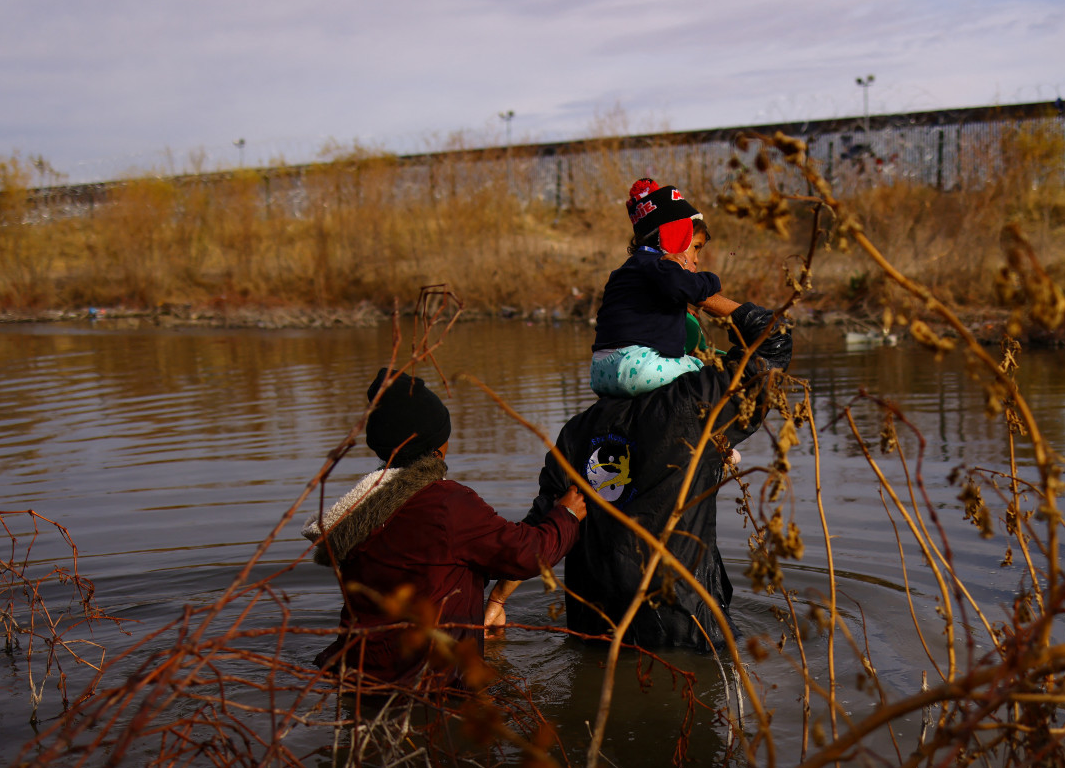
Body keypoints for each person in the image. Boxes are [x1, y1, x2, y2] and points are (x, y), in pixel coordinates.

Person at [500, 301, 792, 652]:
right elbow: (773, 340)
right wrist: (699, 291)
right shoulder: (691, 408)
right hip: (684, 633)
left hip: (596, 633)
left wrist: (497, 601)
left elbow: (542, 529)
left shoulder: (576, 432)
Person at [304, 367, 586, 687]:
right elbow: (527, 553)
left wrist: (487, 610)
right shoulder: (447, 504)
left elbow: (438, 565)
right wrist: (567, 515)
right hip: (428, 686)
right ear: (438, 445)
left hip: (357, 678)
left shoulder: (362, 507)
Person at [590, 178, 743, 397]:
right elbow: (690, 288)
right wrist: (712, 281)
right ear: (675, 238)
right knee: (706, 372)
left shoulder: (629, 270)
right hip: (637, 367)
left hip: (600, 372)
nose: (697, 260)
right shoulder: (661, 266)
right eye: (695, 248)